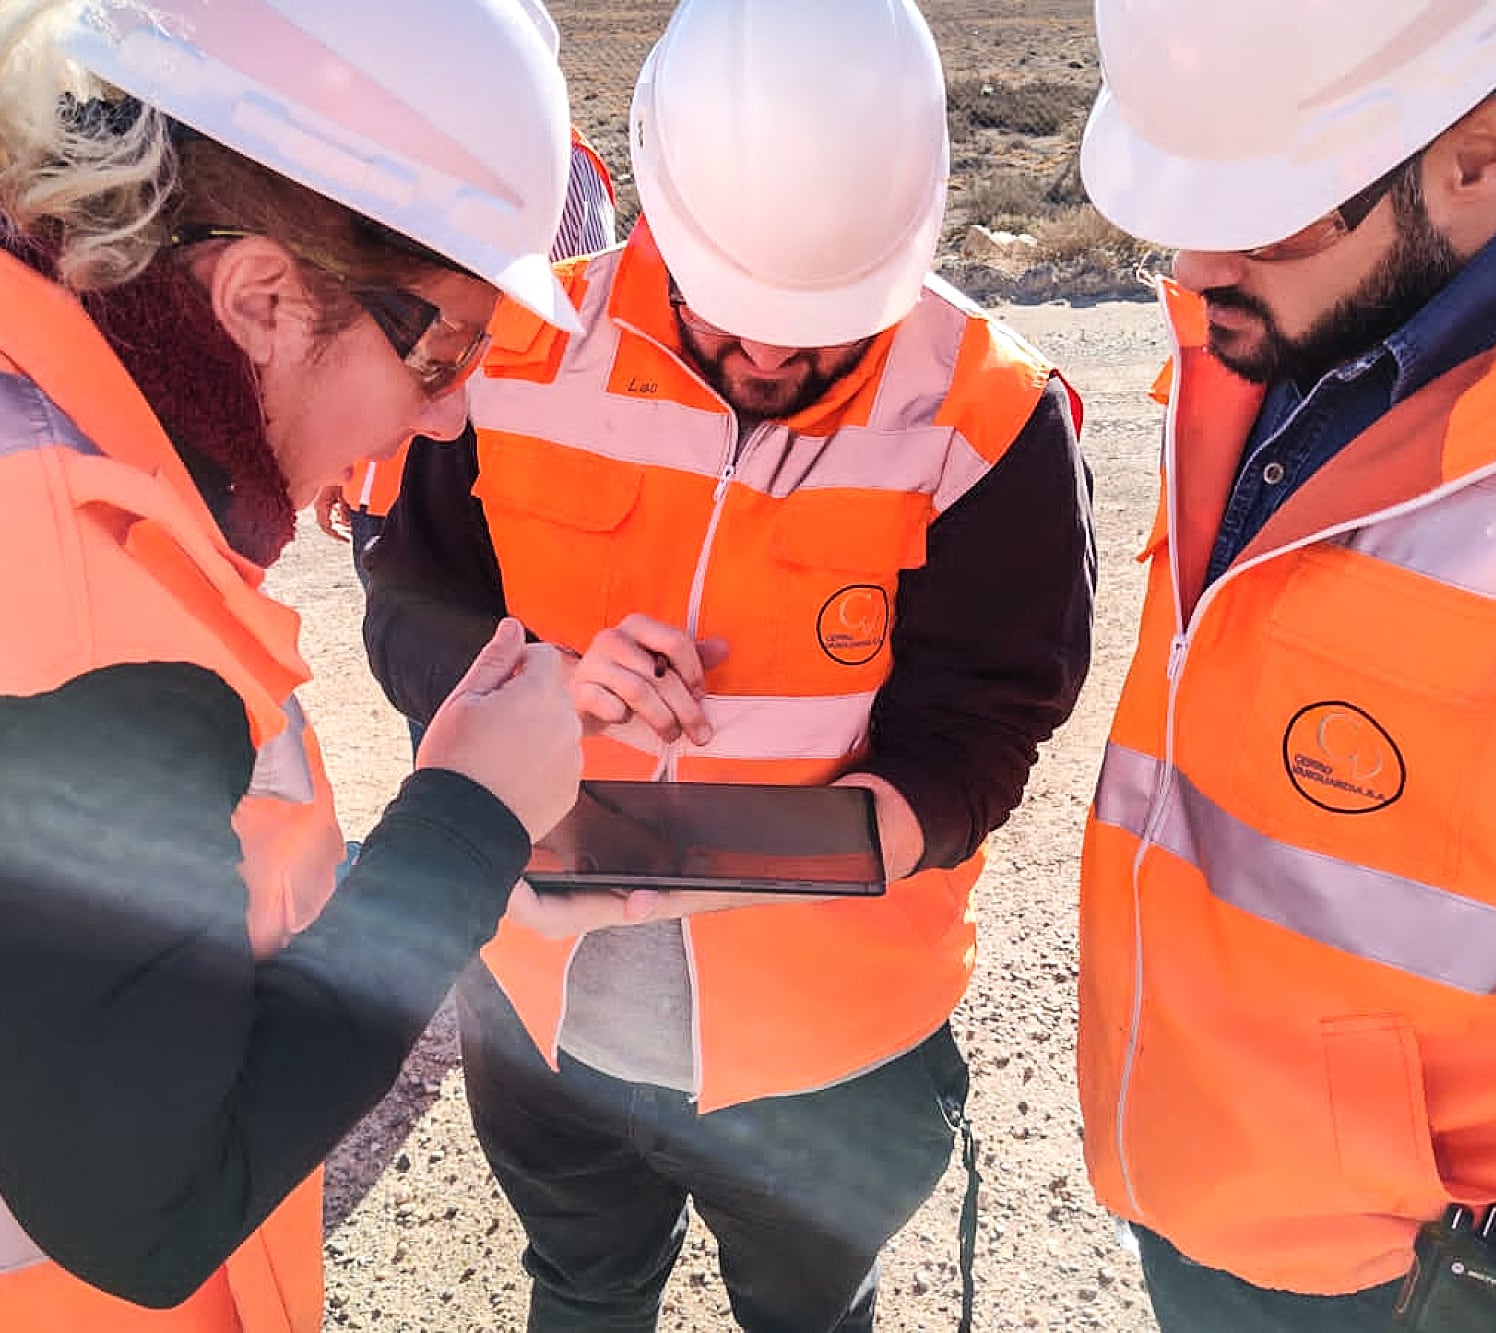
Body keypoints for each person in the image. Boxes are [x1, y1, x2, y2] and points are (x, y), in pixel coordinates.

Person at [0, 0, 586, 1329]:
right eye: (446, 347)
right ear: (260, 297)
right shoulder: (61, 612)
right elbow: (157, 1204)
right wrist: (464, 832)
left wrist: (454, 863)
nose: (453, 409)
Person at [363, 0, 1096, 1326]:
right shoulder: (511, 349)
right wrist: (532, 672)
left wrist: (697, 856)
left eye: (821, 325)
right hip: (536, 1013)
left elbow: (980, 741)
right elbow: (404, 603)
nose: (766, 354)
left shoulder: (991, 416)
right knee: (582, 1286)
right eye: (728, 310)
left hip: (835, 1050)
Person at [1074, 1, 1496, 1329]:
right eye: (1183, 205)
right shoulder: (1277, 323)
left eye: (1270, 215)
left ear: (1484, 151)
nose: (1198, 267)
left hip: (1450, 1285)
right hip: (1194, 1203)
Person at [312, 125, 618, 587]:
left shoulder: (560, 162)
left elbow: (579, 331)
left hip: (472, 481)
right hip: (377, 478)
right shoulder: (392, 140)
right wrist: (340, 463)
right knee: (396, 634)